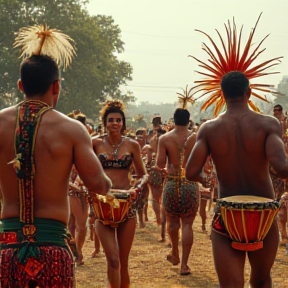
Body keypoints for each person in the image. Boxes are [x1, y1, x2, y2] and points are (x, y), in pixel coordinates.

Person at [0, 24, 111, 288]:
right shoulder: (72, 130)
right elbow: (98, 185)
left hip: (7, 250)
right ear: (56, 87)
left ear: (20, 85)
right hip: (52, 251)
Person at [186, 71, 288, 288]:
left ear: (222, 95)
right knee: (261, 281)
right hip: (264, 213)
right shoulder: (268, 124)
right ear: (248, 93)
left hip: (227, 215)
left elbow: (191, 172)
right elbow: (281, 169)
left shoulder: (209, 128)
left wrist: (205, 179)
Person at [92, 100, 147, 288]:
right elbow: (85, 172)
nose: (114, 123)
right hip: (103, 208)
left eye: (118, 120)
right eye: (110, 120)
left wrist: (136, 189)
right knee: (112, 260)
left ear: (123, 123)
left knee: (123, 263)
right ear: (104, 122)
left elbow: (142, 174)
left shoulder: (132, 145)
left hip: (126, 207)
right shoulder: (95, 144)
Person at [156, 108, 198, 275]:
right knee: (187, 224)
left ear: (173, 120)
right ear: (189, 121)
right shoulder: (196, 137)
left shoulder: (165, 138)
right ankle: (184, 265)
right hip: (190, 183)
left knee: (173, 222)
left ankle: (175, 252)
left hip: (172, 183)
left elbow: (160, 164)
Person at [271, 104, 288, 245]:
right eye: (274, 111)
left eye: (278, 111)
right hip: (276, 172)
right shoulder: (273, 126)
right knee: (279, 202)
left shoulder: (284, 123)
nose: (276, 113)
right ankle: (283, 233)